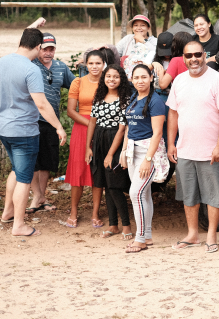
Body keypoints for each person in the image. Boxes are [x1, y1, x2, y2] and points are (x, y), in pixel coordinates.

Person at [0, 28, 67, 236]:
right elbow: (42, 104)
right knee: (25, 179)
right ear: (38, 47)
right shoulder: (31, 69)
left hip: (3, 127)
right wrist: (59, 127)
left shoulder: (1, 62)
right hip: (23, 130)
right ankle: (19, 225)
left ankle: (8, 212)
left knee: (16, 171)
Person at [167, 41, 219, 253]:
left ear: (205, 55)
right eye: (189, 55)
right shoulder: (179, 80)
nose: (193, 59)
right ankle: (193, 234)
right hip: (185, 149)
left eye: (197, 54)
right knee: (189, 195)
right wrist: (171, 143)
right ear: (183, 58)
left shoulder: (218, 80)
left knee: (214, 195)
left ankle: (212, 236)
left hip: (210, 151)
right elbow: (173, 113)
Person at [27, 30, 75, 214]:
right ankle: (36, 197)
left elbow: (75, 85)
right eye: (44, 49)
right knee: (33, 162)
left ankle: (41, 196)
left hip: (51, 121)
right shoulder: (30, 66)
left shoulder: (61, 67)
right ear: (38, 49)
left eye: (51, 49)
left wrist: (86, 70)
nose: (48, 53)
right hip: (32, 120)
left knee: (47, 162)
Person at [120, 64, 166, 252]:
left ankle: (139, 239)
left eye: (144, 77)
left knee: (135, 194)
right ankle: (147, 236)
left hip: (149, 153)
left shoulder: (156, 101)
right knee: (143, 195)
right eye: (136, 77)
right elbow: (128, 128)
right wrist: (124, 151)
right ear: (131, 79)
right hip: (133, 151)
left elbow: (157, 133)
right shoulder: (133, 98)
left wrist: (148, 159)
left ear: (150, 78)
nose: (140, 81)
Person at [85, 65, 132, 240]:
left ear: (121, 79)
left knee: (115, 185)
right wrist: (88, 146)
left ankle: (126, 226)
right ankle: (113, 225)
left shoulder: (125, 99)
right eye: (108, 76)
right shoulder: (99, 97)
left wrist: (111, 154)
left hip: (115, 141)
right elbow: (92, 122)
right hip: (99, 141)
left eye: (116, 77)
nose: (111, 80)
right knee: (106, 185)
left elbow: (121, 130)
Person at [64, 50, 106, 229]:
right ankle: (74, 211)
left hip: (104, 128)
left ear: (103, 64)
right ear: (86, 64)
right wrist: (91, 124)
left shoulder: (109, 81)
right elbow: (71, 111)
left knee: (98, 171)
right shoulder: (78, 82)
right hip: (82, 128)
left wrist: (98, 125)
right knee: (78, 171)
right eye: (91, 63)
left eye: (98, 63)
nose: (94, 67)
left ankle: (95, 212)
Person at [115, 14, 157, 79]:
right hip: (127, 77)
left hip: (146, 77)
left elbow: (157, 52)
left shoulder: (154, 41)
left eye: (142, 25)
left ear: (148, 28)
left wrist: (143, 40)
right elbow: (115, 52)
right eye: (135, 25)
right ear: (132, 28)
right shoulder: (128, 38)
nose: (139, 28)